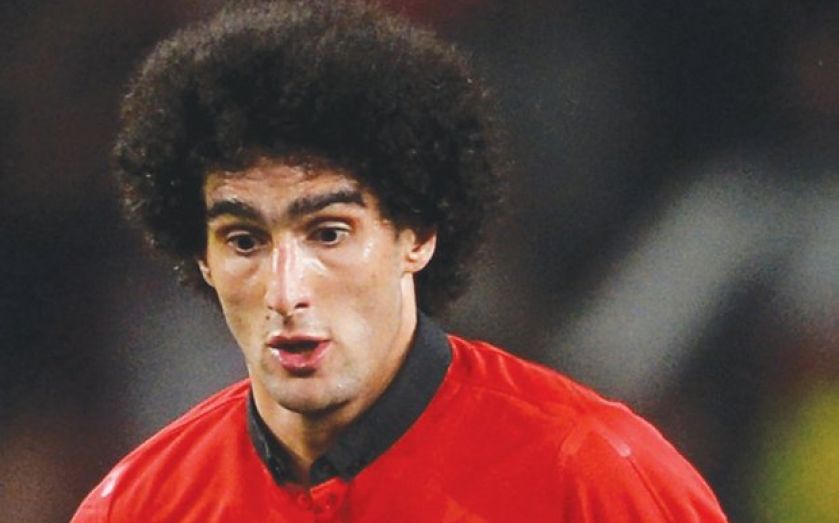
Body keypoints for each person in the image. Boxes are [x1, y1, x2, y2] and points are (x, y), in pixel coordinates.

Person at [72, 1, 728, 521]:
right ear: (202, 259)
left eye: (329, 233)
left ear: (417, 234)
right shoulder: (137, 506)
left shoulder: (591, 474)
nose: (285, 290)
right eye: (244, 240)